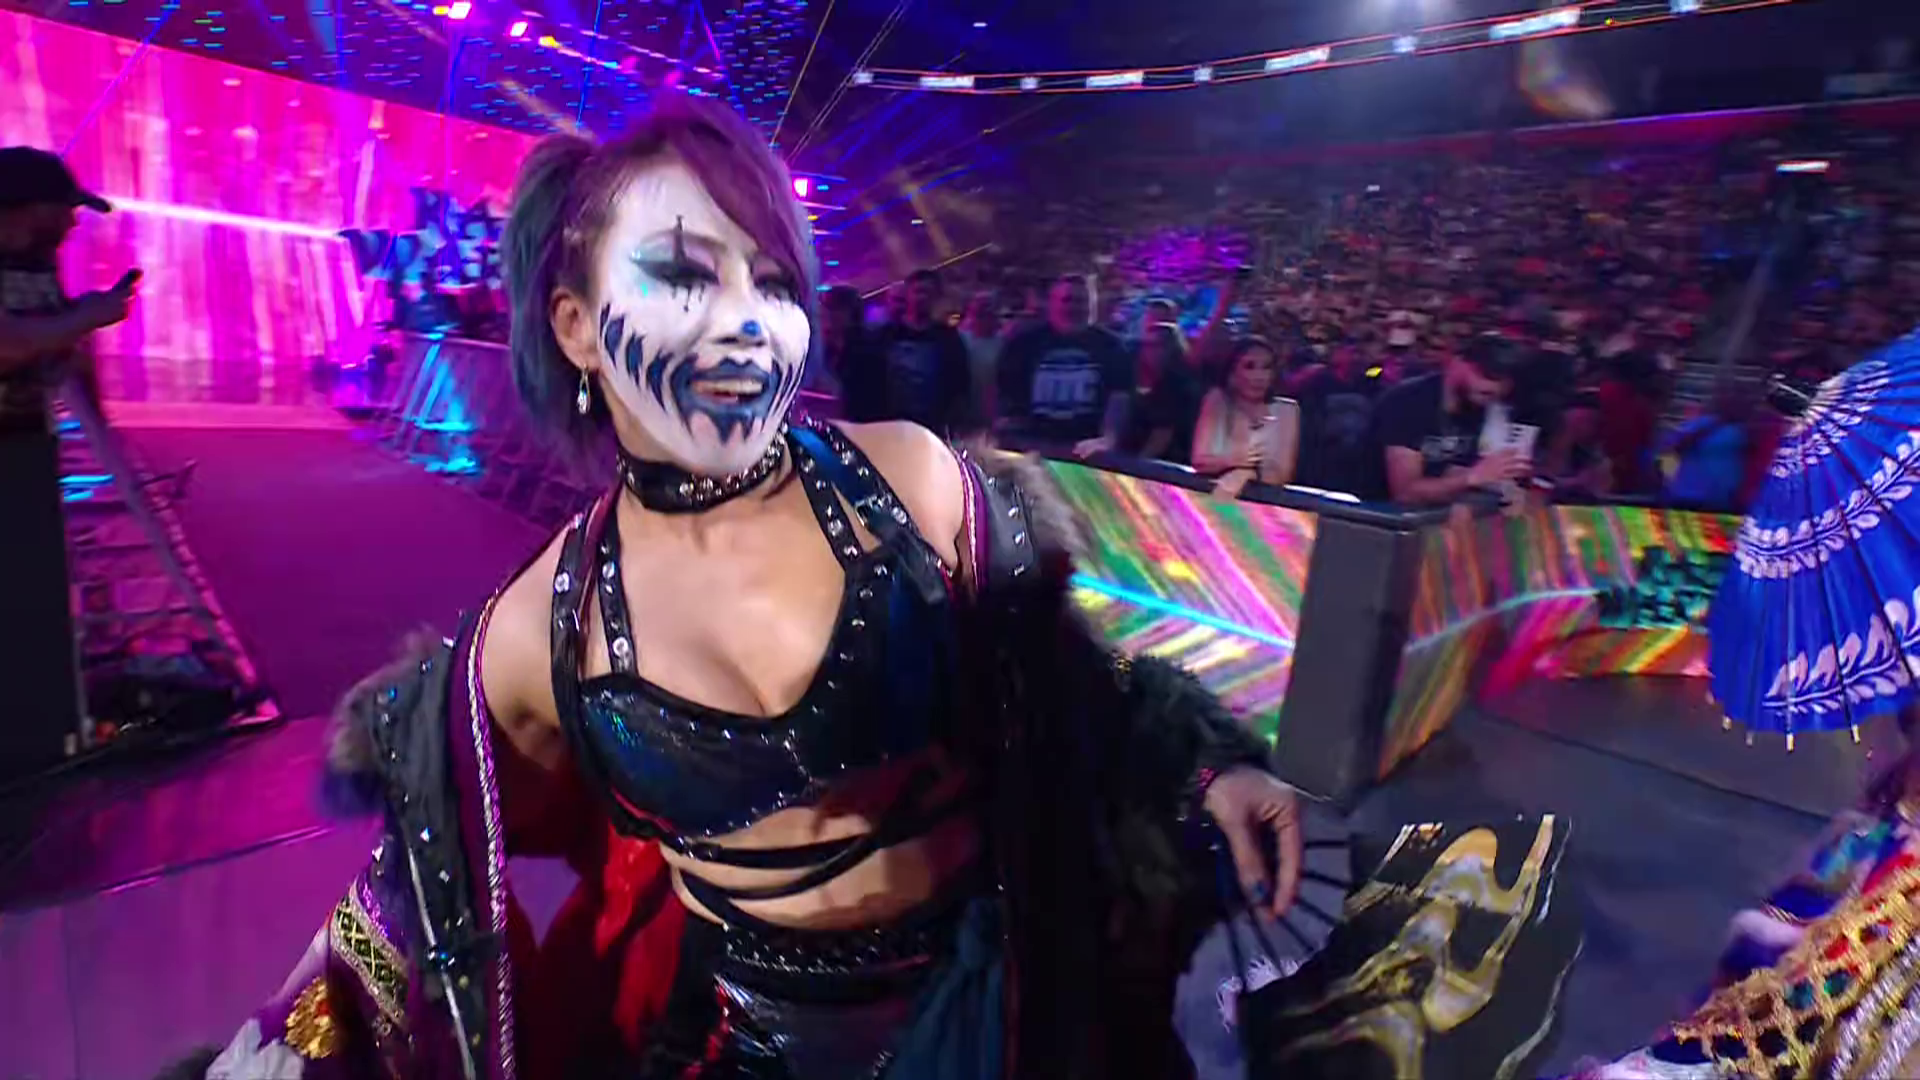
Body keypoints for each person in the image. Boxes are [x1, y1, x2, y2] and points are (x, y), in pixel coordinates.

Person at [188, 96, 1306, 1080]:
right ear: (575, 327)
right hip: (740, 1046)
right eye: (684, 273)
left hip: (999, 1013)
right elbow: (426, 887)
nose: (748, 322)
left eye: (773, 282)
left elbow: (1068, 683)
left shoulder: (907, 480)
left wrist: (1204, 766)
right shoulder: (544, 629)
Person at [0, 146, 137, 781]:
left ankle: (36, 734)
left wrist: (103, 430)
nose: (72, 223)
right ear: (24, 209)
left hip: (24, 443)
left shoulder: (35, 264)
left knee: (30, 595)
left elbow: (57, 346)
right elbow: (9, 346)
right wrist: (89, 316)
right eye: (64, 210)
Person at [1373, 332, 1533, 507]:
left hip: (1431, 509)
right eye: (1488, 375)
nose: (1495, 388)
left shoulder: (1478, 405)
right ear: (1457, 362)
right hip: (1372, 510)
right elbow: (1405, 493)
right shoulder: (1407, 401)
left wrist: (1500, 477)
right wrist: (1473, 476)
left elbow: (1452, 470)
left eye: (1505, 382)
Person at [995, 274, 1132, 457]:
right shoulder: (1023, 344)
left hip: (1086, 450)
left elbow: (1119, 397)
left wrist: (1108, 438)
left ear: (1093, 305)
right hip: (1032, 445)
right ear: (1052, 304)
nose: (1074, 307)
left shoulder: (1112, 346)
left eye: (1081, 301)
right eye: (1067, 300)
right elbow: (1004, 392)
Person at [868, 268, 972, 436]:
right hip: (889, 425)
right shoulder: (885, 336)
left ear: (936, 298)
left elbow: (959, 382)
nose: (922, 297)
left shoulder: (948, 338)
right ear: (907, 294)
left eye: (928, 293)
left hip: (933, 427)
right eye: (918, 291)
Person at [1190, 337, 1298, 497]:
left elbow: (1280, 474)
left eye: (1266, 367)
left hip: (1262, 505)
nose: (1259, 377)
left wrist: (1245, 473)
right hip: (1207, 497)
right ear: (1232, 373)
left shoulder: (1286, 410)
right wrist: (1236, 460)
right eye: (1249, 366)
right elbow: (1201, 461)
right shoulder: (1218, 400)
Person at [1119, 321, 1203, 467]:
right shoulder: (1142, 376)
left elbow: (1162, 434)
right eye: (1145, 345)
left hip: (1166, 465)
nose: (1146, 351)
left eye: (1154, 345)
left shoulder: (1178, 383)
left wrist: (1137, 466)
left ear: (1171, 348)